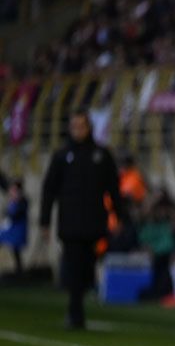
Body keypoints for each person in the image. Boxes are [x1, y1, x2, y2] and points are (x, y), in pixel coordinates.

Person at [38, 109, 122, 329]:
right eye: (74, 126)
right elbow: (49, 190)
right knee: (73, 265)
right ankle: (75, 311)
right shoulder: (62, 156)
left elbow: (113, 189)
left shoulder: (101, 156)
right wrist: (44, 221)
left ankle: (78, 304)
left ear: (89, 128)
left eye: (82, 126)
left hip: (94, 222)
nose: (78, 130)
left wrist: (121, 217)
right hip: (70, 222)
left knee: (87, 266)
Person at [0, 179, 29, 276]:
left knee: (16, 250)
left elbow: (15, 215)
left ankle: (19, 271)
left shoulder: (22, 201)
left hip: (17, 231)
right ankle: (19, 271)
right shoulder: (12, 201)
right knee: (16, 252)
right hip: (11, 230)